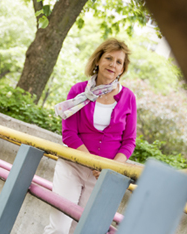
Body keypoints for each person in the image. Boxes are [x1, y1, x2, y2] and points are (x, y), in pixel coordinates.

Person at [44, 38, 137, 234]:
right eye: (109, 58)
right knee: (59, 227)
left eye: (119, 62)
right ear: (98, 61)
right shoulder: (78, 91)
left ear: (122, 69)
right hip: (72, 166)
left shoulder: (128, 98)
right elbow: (69, 134)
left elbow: (129, 142)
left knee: (84, 230)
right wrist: (95, 163)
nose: (113, 64)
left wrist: (111, 168)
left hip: (104, 177)